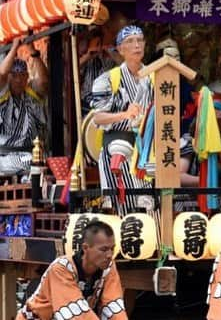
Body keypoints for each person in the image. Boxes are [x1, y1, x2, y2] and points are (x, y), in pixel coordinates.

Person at [91, 26, 153, 214]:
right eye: (130, 41)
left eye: (140, 40)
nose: (136, 45)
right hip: (118, 144)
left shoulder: (155, 76)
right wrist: (125, 114)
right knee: (123, 208)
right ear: (120, 49)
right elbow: (98, 117)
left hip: (149, 147)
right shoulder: (108, 79)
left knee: (151, 207)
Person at [17, 221, 127, 320]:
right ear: (85, 248)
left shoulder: (108, 266)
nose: (109, 255)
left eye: (112, 249)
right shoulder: (61, 268)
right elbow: (76, 314)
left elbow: (114, 305)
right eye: (103, 249)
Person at [0, 38, 48, 177]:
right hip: (4, 156)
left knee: (39, 164)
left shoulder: (30, 92)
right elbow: (2, 74)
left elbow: (44, 81)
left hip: (31, 152)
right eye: (14, 76)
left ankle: (27, 181)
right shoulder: (3, 94)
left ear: (27, 76)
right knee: (31, 163)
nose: (19, 79)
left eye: (22, 75)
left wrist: (33, 51)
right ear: (9, 78)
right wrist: (15, 47)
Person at [80, 30, 117, 115]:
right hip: (86, 102)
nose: (97, 47)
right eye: (95, 44)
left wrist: (108, 50)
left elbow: (126, 65)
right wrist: (88, 56)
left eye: (99, 44)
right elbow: (72, 70)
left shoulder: (112, 59)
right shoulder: (88, 60)